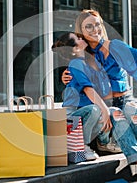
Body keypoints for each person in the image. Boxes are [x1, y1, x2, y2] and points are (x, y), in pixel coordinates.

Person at [61, 10, 137, 182]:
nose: (94, 29)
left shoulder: (115, 46)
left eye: (97, 24)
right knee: (118, 116)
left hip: (124, 100)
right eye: (88, 26)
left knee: (135, 112)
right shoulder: (82, 55)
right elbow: (81, 84)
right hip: (106, 107)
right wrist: (67, 77)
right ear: (80, 31)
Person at [52, 32, 121, 161]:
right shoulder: (76, 63)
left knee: (115, 112)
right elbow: (88, 90)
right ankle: (81, 146)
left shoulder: (87, 62)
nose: (82, 38)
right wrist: (104, 110)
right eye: (78, 38)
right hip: (72, 118)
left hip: (85, 113)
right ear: (75, 49)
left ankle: (104, 143)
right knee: (97, 110)